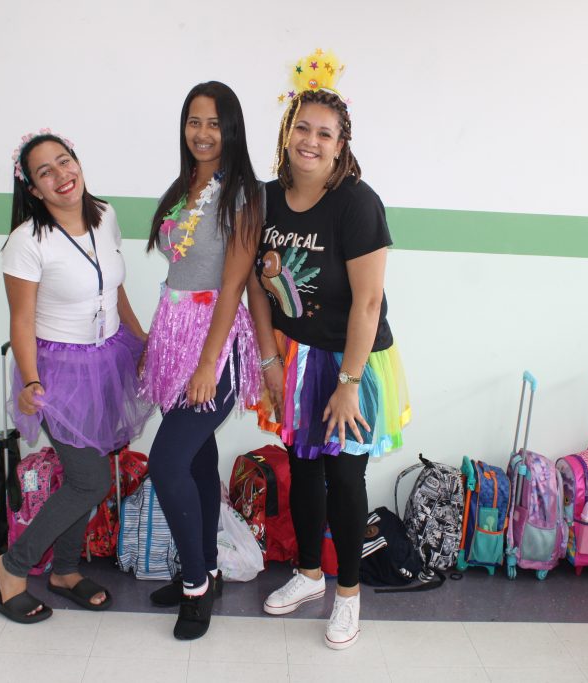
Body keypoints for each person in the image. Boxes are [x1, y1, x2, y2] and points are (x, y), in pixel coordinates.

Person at [247, 54, 410, 650]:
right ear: (286, 133)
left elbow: (368, 304)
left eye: (324, 133)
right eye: (302, 128)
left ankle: (348, 594)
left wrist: (348, 383)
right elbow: (254, 287)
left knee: (344, 477)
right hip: (295, 358)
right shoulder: (264, 199)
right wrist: (269, 361)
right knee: (303, 470)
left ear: (341, 146)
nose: (310, 141)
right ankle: (310, 573)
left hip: (352, 361)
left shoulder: (357, 203)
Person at [0, 130, 153, 624]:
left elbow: (113, 287)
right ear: (33, 189)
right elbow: (21, 320)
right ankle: (13, 567)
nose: (60, 175)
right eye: (45, 172)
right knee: (89, 480)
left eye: (64, 161)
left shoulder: (106, 215)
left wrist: (139, 339)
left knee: (88, 476)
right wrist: (31, 381)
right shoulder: (26, 242)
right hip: (58, 372)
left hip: (108, 358)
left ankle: (66, 571)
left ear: (77, 161)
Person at [139, 82, 264, 641]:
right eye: (194, 121)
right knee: (194, 461)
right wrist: (157, 344)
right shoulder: (183, 186)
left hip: (216, 345)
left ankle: (194, 587)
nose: (203, 133)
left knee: (166, 463)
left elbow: (233, 285)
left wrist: (208, 364)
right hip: (175, 341)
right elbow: (178, 271)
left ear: (231, 129)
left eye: (214, 123)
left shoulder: (243, 195)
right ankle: (207, 570)